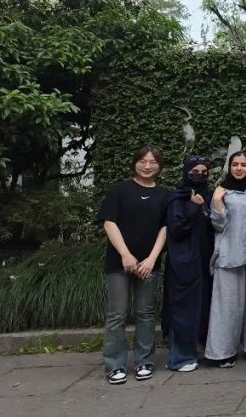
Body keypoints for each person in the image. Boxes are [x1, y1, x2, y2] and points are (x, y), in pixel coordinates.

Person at [98, 146, 169, 385]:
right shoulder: (120, 190)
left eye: (153, 162)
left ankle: (144, 361)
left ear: (159, 166)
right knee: (117, 314)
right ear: (135, 163)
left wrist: (152, 259)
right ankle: (115, 364)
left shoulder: (164, 195)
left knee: (145, 313)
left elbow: (165, 228)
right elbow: (109, 223)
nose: (147, 166)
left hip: (149, 264)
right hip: (119, 263)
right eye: (143, 161)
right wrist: (126, 255)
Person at [204, 151, 246, 368]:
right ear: (229, 167)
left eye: (243, 165)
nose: (239, 168)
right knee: (226, 307)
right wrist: (217, 202)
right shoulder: (221, 192)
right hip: (229, 255)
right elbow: (218, 225)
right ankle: (222, 352)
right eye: (235, 164)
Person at [163, 155, 215, 373]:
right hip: (183, 262)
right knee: (183, 310)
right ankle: (179, 357)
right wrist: (193, 207)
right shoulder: (177, 198)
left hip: (204, 262)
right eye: (194, 172)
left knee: (203, 308)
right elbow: (176, 229)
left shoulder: (210, 196)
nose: (199, 176)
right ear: (186, 172)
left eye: (204, 172)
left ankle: (200, 350)